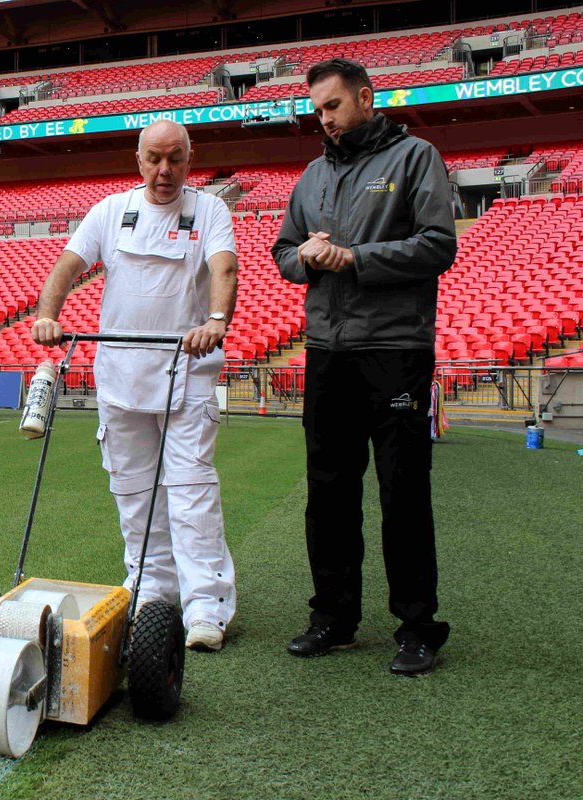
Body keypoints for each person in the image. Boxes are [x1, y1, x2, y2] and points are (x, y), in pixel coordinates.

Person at [271, 58, 457, 676]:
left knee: (402, 488)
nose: (323, 121)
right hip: (327, 351)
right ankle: (333, 617)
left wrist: (353, 257)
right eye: (317, 111)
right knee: (328, 489)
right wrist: (307, 257)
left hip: (395, 349)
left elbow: (438, 244)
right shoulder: (312, 175)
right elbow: (282, 252)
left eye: (332, 107)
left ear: (366, 98)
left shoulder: (415, 157)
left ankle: (417, 626)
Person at [32, 119, 239, 652]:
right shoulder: (110, 211)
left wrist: (216, 319)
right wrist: (48, 315)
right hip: (120, 377)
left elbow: (225, 268)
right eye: (154, 158)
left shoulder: (209, 210)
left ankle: (206, 608)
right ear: (139, 159)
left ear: (190, 161)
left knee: (190, 493)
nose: (164, 170)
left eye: (174, 158)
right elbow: (67, 265)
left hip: (185, 373)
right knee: (133, 492)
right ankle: (149, 591)